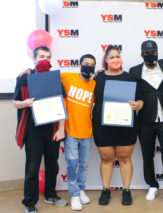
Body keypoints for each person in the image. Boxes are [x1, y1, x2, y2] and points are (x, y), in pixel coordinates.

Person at [13, 46, 68, 213]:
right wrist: (25, 103)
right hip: (32, 131)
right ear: (34, 59)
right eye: (41, 56)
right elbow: (15, 102)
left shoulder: (54, 79)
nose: (45, 59)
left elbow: (62, 104)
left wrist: (61, 129)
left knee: (53, 165)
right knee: (32, 168)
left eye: (48, 56)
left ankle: (50, 195)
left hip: (51, 130)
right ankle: (29, 203)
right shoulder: (24, 78)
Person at [129, 40, 163, 208]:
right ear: (141, 55)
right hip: (145, 121)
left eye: (153, 52)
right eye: (147, 53)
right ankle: (152, 185)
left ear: (157, 52)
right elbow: (121, 82)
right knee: (147, 155)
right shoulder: (134, 71)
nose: (151, 56)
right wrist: (101, 74)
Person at [92, 45, 144, 206]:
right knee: (106, 158)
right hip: (103, 126)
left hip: (125, 125)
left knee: (124, 158)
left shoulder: (130, 78)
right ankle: (105, 189)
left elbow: (141, 101)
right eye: (111, 57)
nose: (115, 59)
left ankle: (126, 190)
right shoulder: (97, 79)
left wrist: (138, 105)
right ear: (105, 60)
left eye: (117, 56)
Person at [61, 54, 96, 210]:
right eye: (86, 63)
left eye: (92, 64)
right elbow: (46, 77)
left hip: (87, 132)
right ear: (80, 65)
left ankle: (81, 189)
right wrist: (29, 70)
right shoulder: (67, 77)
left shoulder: (94, 84)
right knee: (72, 164)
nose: (89, 66)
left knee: (84, 165)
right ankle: (74, 194)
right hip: (71, 131)